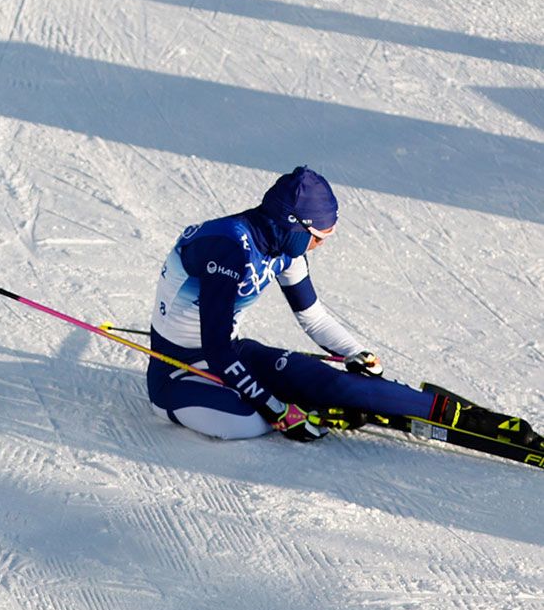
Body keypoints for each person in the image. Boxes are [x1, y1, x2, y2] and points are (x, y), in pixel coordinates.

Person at [146, 166, 539, 452]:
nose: (321, 245)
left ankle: (458, 414)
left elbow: (312, 316)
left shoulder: (283, 247)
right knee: (249, 421)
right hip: (176, 372)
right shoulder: (228, 248)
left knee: (334, 382)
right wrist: (278, 410)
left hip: (233, 356)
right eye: (319, 236)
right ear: (296, 225)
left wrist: (355, 353)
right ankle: (300, 405)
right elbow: (214, 349)